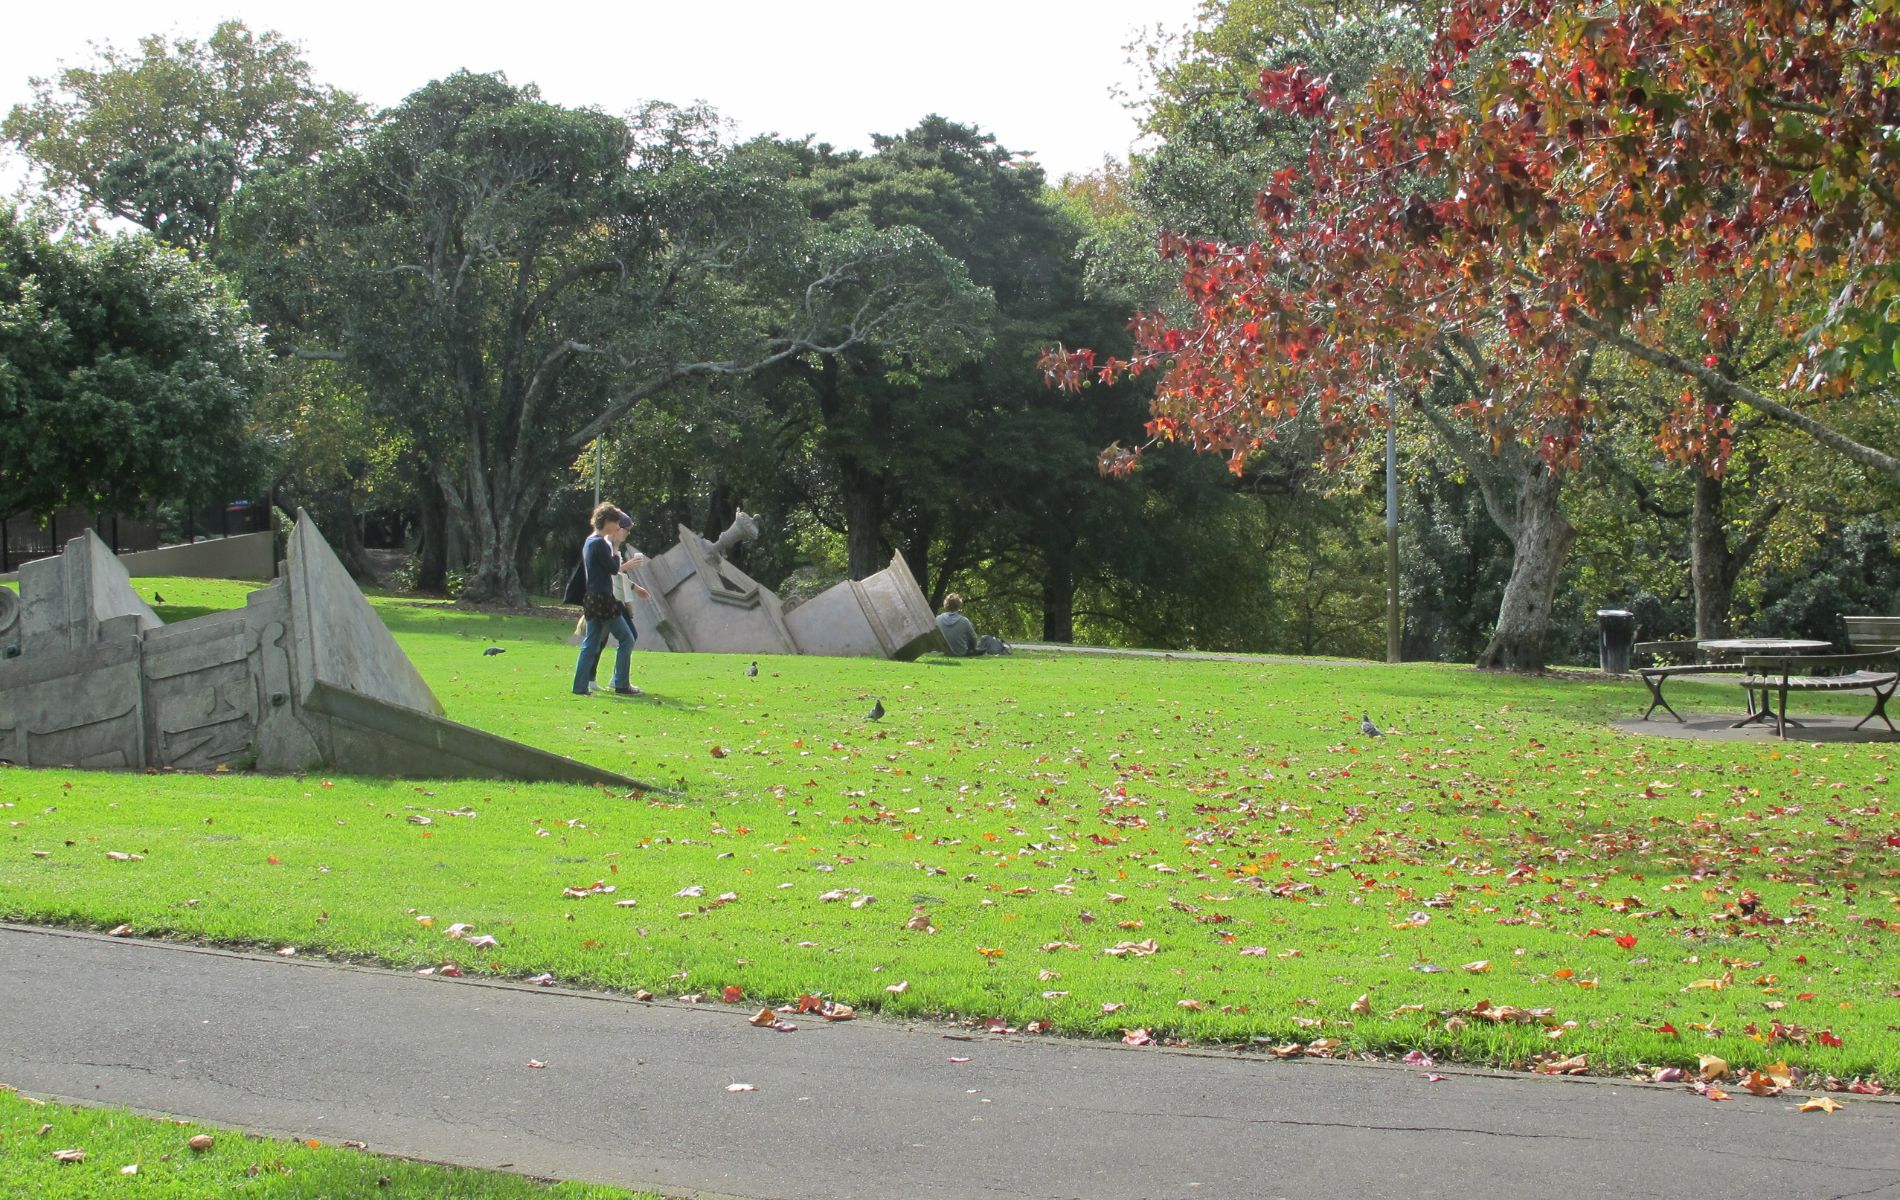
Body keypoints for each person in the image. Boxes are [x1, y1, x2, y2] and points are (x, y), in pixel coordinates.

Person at [571, 504, 649, 697]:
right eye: (615, 523)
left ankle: (580, 687)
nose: (617, 527)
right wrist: (614, 547)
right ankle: (621, 684)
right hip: (603, 599)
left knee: (591, 643)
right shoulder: (599, 543)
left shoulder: (590, 541)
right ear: (606, 522)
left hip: (592, 598)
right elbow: (614, 567)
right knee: (627, 638)